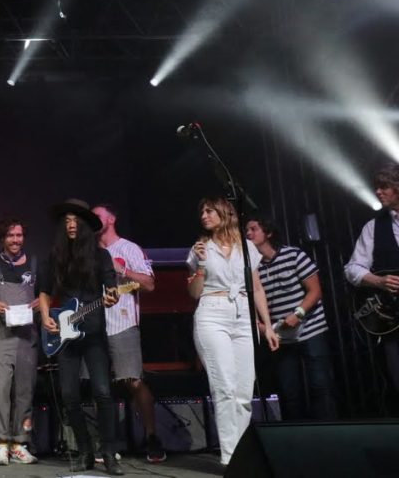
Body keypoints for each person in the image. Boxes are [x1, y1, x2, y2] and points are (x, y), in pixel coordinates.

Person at [187, 196, 279, 466]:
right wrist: (200, 265)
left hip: (243, 315)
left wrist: (268, 326)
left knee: (243, 390)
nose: (204, 215)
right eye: (202, 212)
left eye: (210, 211)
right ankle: (231, 458)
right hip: (212, 313)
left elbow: (257, 288)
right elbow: (194, 293)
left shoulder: (247, 247)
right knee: (224, 386)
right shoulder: (200, 247)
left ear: (225, 213)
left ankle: (242, 453)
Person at [40, 199, 122, 475]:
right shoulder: (56, 256)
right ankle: (85, 450)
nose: (71, 225)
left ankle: (108, 452)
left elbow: (111, 289)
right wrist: (45, 316)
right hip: (66, 333)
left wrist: (112, 296)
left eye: (76, 220)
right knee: (69, 395)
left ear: (86, 225)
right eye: (67, 221)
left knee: (102, 392)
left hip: (94, 332)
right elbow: (44, 291)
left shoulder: (101, 256)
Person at [92, 203, 166, 463]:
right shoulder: (90, 252)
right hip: (96, 326)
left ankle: (151, 436)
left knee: (133, 381)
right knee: (101, 386)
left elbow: (149, 284)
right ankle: (108, 443)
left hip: (122, 324)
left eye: (98, 215)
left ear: (111, 219)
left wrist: (120, 268)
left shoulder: (129, 248)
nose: (93, 220)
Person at [246, 215, 335, 420]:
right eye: (246, 231)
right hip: (281, 336)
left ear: (268, 233)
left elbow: (315, 290)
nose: (248, 234)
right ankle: (296, 436)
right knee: (289, 392)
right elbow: (251, 305)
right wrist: (262, 327)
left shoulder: (293, 254)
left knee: (321, 386)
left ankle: (329, 432)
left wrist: (298, 314)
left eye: (253, 229)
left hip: (310, 329)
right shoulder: (252, 268)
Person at [0, 218, 40, 466]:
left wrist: (41, 302)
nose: (16, 240)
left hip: (27, 335)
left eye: (19, 235)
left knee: (25, 390)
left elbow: (47, 295)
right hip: (0, 334)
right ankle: (0, 443)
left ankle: (19, 443)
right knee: (0, 389)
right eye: (10, 235)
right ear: (2, 238)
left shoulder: (35, 264)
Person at [345, 162, 399, 397]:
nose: (378, 192)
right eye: (376, 187)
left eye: (384, 186)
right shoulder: (373, 227)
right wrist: (378, 281)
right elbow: (352, 268)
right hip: (392, 319)